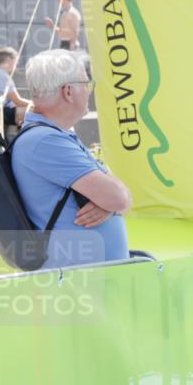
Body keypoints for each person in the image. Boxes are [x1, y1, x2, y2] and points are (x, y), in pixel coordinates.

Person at [12, 50, 131, 268]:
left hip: (87, 279)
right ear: (68, 91)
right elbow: (120, 198)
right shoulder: (46, 141)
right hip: (79, 282)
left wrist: (110, 204)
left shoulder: (54, 136)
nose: (89, 91)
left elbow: (117, 199)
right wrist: (112, 201)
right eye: (86, 84)